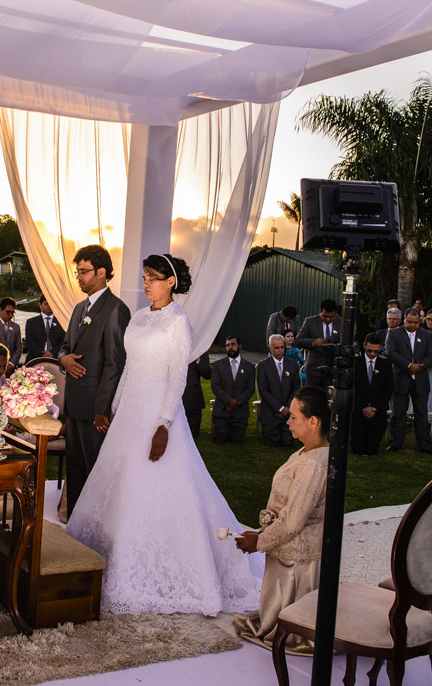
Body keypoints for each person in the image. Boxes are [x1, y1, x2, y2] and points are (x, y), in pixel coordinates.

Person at [67, 253, 259, 616]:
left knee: (152, 482)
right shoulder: (139, 316)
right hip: (130, 409)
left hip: (157, 410)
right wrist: (114, 404)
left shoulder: (179, 323)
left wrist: (165, 424)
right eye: (144, 277)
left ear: (171, 282)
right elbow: (128, 368)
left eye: (153, 277)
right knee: (117, 479)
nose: (146, 283)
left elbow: (178, 377)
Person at [233, 386, 330, 654]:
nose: (288, 420)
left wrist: (260, 541)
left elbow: (294, 521)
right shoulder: (307, 452)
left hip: (299, 559)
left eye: (294, 417)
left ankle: (294, 626)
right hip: (290, 542)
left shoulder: (314, 463)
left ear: (313, 421)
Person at [58, 245, 132, 516]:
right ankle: (76, 523)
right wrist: (63, 360)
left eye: (83, 272)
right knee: (75, 469)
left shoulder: (116, 310)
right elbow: (64, 346)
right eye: (77, 272)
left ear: (101, 272)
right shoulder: (79, 309)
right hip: (74, 406)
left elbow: (116, 364)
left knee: (96, 472)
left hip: (96, 411)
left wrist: (102, 410)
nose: (79, 277)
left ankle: (96, 528)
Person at [385, 308, 432, 452]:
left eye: (416, 322)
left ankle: (425, 445)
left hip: (420, 379)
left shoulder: (426, 335)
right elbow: (391, 353)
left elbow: (431, 354)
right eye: (409, 322)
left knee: (421, 413)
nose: (413, 325)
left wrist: (419, 367)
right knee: (398, 412)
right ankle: (396, 442)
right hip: (400, 378)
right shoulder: (394, 333)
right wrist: (408, 366)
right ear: (404, 320)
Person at [351, 334, 392, 456]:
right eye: (369, 351)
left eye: (376, 351)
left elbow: (388, 388)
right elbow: (352, 387)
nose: (372, 354)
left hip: (377, 411)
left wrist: (374, 408)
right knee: (358, 449)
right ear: (364, 346)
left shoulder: (385, 365)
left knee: (372, 449)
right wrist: (363, 407)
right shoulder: (355, 363)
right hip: (358, 410)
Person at [256, 334, 300, 447]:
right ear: (270, 349)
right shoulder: (263, 366)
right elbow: (263, 390)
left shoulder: (293, 365)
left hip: (288, 412)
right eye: (277, 348)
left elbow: (296, 388)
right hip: (271, 412)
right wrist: (279, 408)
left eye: (282, 347)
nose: (280, 350)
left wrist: (287, 408)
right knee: (272, 442)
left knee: (288, 442)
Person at [210, 336, 255, 444]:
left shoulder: (249, 367)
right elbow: (215, 386)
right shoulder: (217, 365)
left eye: (233, 344)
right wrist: (229, 401)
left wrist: (237, 402)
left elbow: (250, 389)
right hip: (222, 410)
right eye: (227, 345)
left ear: (239, 346)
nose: (230, 347)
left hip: (240, 412)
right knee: (220, 439)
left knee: (238, 441)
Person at [294, 298, 339, 387]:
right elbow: (297, 341)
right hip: (314, 369)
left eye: (331, 317)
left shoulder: (341, 323)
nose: (328, 319)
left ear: (335, 314)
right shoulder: (310, 322)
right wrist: (313, 342)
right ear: (320, 312)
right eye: (325, 316)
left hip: (333, 369)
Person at [23, 295, 65, 361]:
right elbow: (30, 342)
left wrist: (52, 353)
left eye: (51, 304)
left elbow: (63, 341)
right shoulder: (31, 322)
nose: (49, 306)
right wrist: (42, 355)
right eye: (46, 304)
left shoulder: (61, 322)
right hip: (35, 358)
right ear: (40, 305)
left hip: (56, 358)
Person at [183, 350, 213, 438]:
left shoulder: (202, 351)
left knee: (193, 434)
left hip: (193, 401)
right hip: (177, 400)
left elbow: (207, 374)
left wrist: (197, 359)